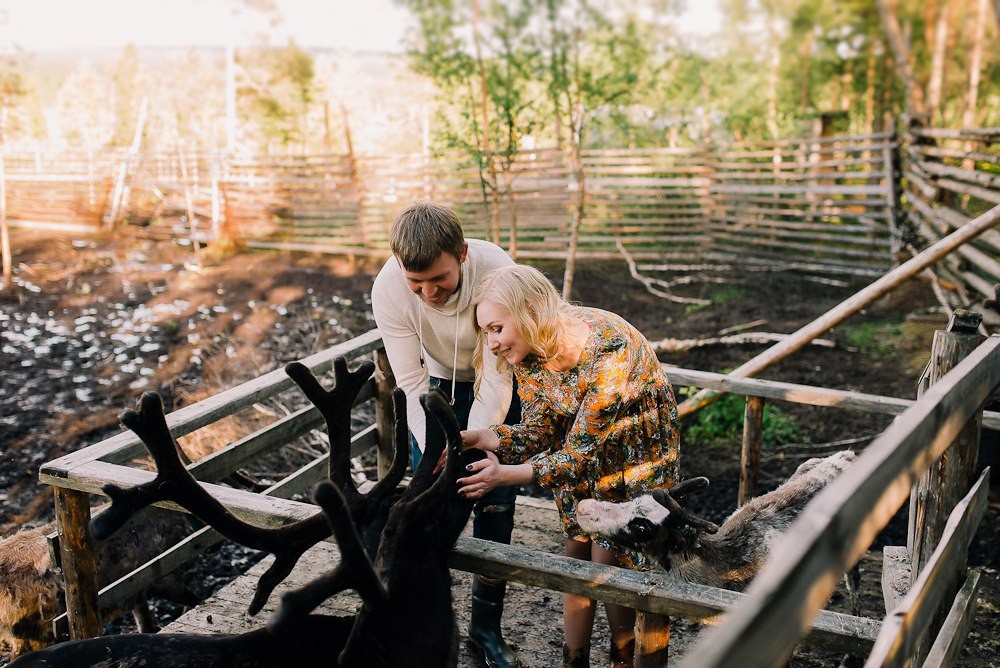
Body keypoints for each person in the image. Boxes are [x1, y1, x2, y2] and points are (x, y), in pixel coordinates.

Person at [459, 264, 681, 668]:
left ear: (529, 310)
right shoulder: (527, 351)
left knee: (615, 562)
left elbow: (581, 454)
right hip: (579, 458)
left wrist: (503, 476)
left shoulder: (609, 347)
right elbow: (541, 429)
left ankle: (624, 657)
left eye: (495, 328)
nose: (490, 344)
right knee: (577, 552)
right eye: (485, 333)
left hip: (635, 462)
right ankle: (574, 659)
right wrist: (485, 437)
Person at [370, 200, 522, 668]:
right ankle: (430, 621)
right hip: (433, 389)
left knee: (491, 502)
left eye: (439, 279)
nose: (429, 293)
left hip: (495, 378)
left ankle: (485, 628)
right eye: (417, 283)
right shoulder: (388, 289)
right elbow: (410, 381)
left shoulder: (497, 271)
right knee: (428, 511)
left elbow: (497, 380)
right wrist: (432, 447)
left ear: (461, 254)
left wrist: (471, 444)